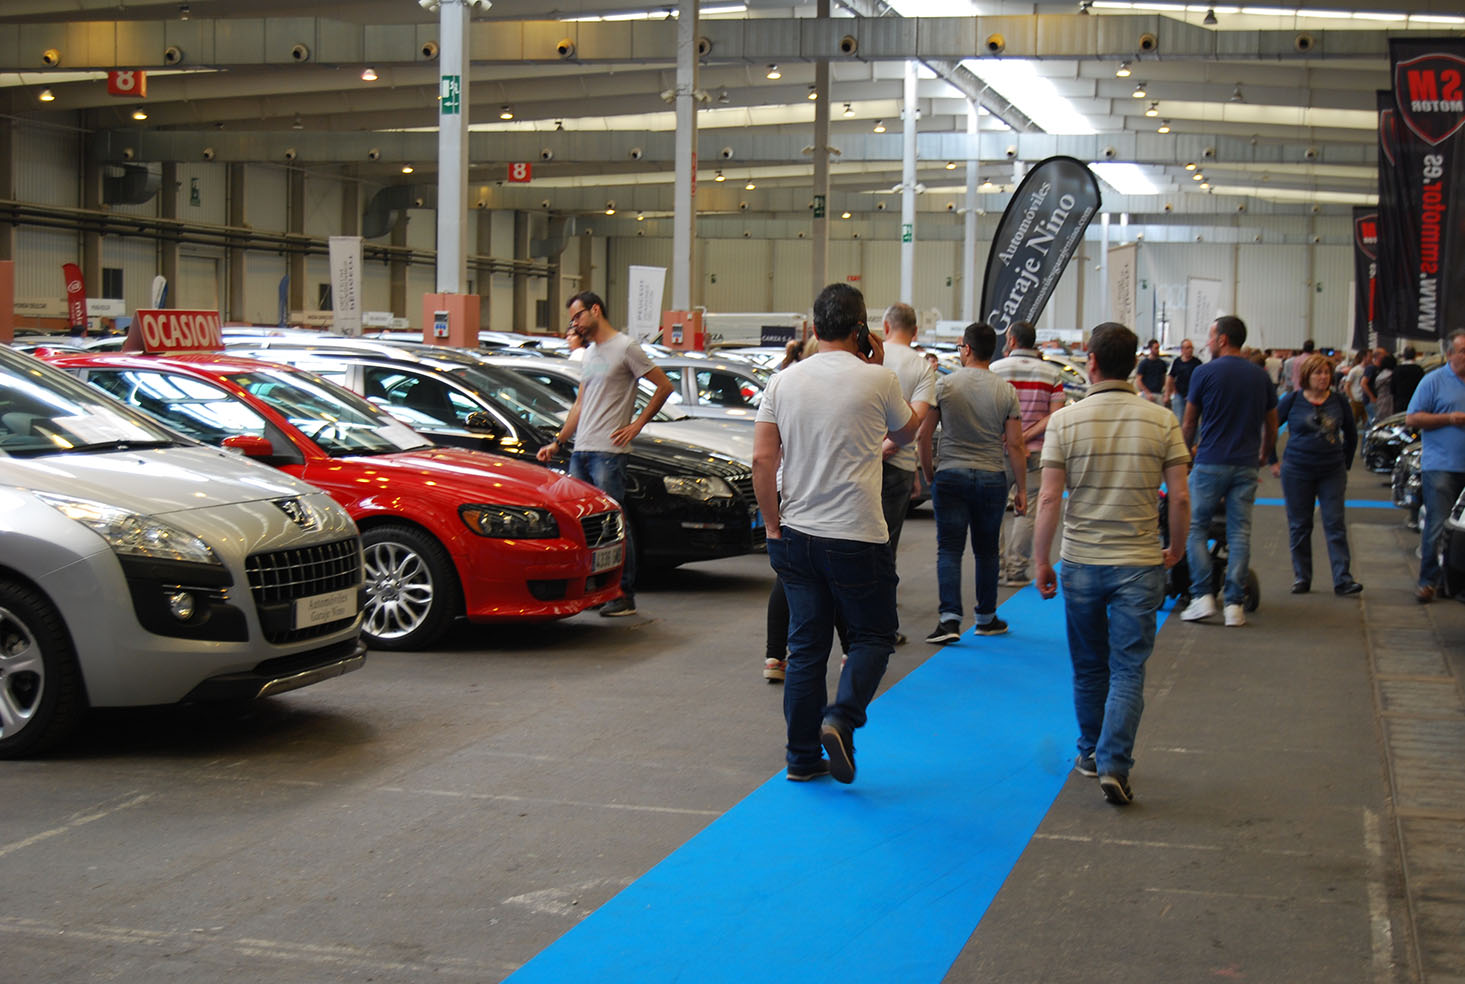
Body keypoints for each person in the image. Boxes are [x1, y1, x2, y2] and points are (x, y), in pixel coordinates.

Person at [752, 283, 918, 784]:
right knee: (872, 635)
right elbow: (908, 432)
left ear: (814, 327)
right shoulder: (878, 379)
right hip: (856, 534)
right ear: (859, 329)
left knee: (805, 648)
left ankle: (801, 759)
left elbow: (763, 459)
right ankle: (841, 719)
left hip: (797, 532)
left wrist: (773, 524)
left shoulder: (782, 382)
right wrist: (878, 358)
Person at [1033, 321, 1190, 807]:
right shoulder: (1162, 419)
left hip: (1081, 560)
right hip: (1140, 562)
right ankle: (1115, 763)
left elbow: (1048, 499)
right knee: (1128, 668)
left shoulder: (1066, 421)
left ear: (1092, 363)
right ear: (1138, 364)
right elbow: (1181, 496)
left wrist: (1040, 561)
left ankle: (1089, 753)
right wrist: (1177, 548)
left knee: (1088, 666)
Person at [537, 290, 675, 617]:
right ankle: (595, 589)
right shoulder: (590, 355)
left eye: (578, 316)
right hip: (582, 450)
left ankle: (624, 593)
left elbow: (664, 386)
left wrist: (636, 425)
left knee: (613, 523)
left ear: (595, 310)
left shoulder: (625, 347)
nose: (575, 324)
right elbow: (581, 405)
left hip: (609, 452)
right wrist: (558, 442)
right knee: (583, 525)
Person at [918, 321, 1026, 643]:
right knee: (987, 551)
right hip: (992, 476)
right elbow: (1016, 444)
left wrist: (927, 472)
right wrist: (1020, 489)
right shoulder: (1006, 390)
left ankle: (949, 621)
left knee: (949, 549)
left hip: (950, 473)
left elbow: (924, 434)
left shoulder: (944, 387)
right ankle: (986, 617)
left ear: (966, 349)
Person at [1180, 315, 1278, 627]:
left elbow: (1190, 420)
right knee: (1239, 532)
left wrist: (1184, 455)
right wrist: (1264, 452)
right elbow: (1272, 421)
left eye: (1210, 337)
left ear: (1222, 339)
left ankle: (1202, 595)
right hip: (1246, 464)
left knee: (1195, 528)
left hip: (1210, 462)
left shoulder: (1203, 373)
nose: (1207, 343)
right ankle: (1234, 604)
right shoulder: (1260, 376)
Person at [1272, 353, 1362, 596]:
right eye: (1318, 373)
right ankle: (1302, 576)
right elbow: (1270, 428)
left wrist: (1345, 463)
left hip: (1331, 470)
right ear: (1306, 376)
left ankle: (1342, 578)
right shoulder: (1291, 400)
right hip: (1297, 469)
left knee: (1334, 523)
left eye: (1326, 373)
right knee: (1300, 525)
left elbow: (1351, 435)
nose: (1323, 378)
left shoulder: (1339, 401)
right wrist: (1272, 460)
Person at [877, 303, 937, 642]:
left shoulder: (870, 358)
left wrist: (872, 451)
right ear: (915, 332)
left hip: (860, 465)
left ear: (886, 326)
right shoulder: (922, 367)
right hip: (896, 468)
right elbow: (915, 424)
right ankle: (885, 627)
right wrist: (895, 452)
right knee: (887, 550)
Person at [990, 320, 1065, 586]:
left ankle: (995, 568)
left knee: (994, 510)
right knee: (1027, 509)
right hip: (1035, 453)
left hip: (997, 451)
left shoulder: (994, 370)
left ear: (1011, 341)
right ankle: (1016, 570)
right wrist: (1025, 436)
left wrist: (1010, 437)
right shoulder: (1051, 374)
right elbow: (1055, 417)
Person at [1404, 329, 1465, 604]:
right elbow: (1412, 418)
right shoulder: (1434, 381)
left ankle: (1454, 582)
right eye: (1463, 351)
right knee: (1438, 525)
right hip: (1441, 466)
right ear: (1450, 354)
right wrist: (1449, 418)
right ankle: (1428, 581)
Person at [1163, 338, 1201, 422]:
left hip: (1192, 397)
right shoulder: (1177, 362)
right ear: (1182, 349)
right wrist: (1167, 394)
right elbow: (1170, 378)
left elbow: (1200, 381)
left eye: (1191, 348)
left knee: (1192, 420)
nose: (1190, 350)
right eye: (1187, 348)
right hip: (1179, 395)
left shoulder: (1197, 363)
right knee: (1178, 419)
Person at [1135, 339, 1167, 404]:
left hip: (1159, 393)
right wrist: (1147, 393)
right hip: (1147, 394)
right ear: (1150, 349)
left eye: (1158, 348)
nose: (1157, 350)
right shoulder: (1144, 364)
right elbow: (1138, 380)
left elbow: (1164, 378)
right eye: (1156, 348)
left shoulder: (1162, 363)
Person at [1393, 346, 1424, 412]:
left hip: (1400, 403)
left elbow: (1392, 389)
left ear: (1404, 356)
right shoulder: (1419, 369)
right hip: (1415, 402)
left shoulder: (1397, 370)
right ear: (1415, 356)